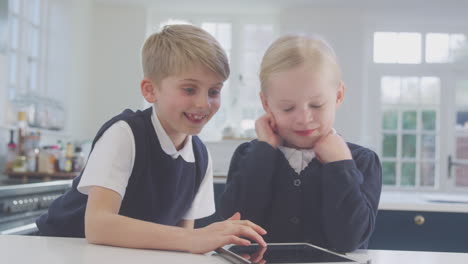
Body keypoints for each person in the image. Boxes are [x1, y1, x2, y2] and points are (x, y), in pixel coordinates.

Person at [36, 24, 266, 254]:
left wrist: (195, 239)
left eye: (214, 91)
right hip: (58, 251)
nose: (203, 103)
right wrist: (193, 238)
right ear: (150, 90)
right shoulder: (124, 134)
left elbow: (182, 242)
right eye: (189, 89)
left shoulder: (200, 156)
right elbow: (98, 226)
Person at [220, 34, 382, 253]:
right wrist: (264, 150)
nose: (304, 118)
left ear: (338, 95)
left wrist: (340, 166)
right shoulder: (249, 156)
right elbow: (234, 228)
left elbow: (349, 240)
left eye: (316, 105)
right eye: (288, 108)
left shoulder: (362, 161)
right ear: (266, 104)